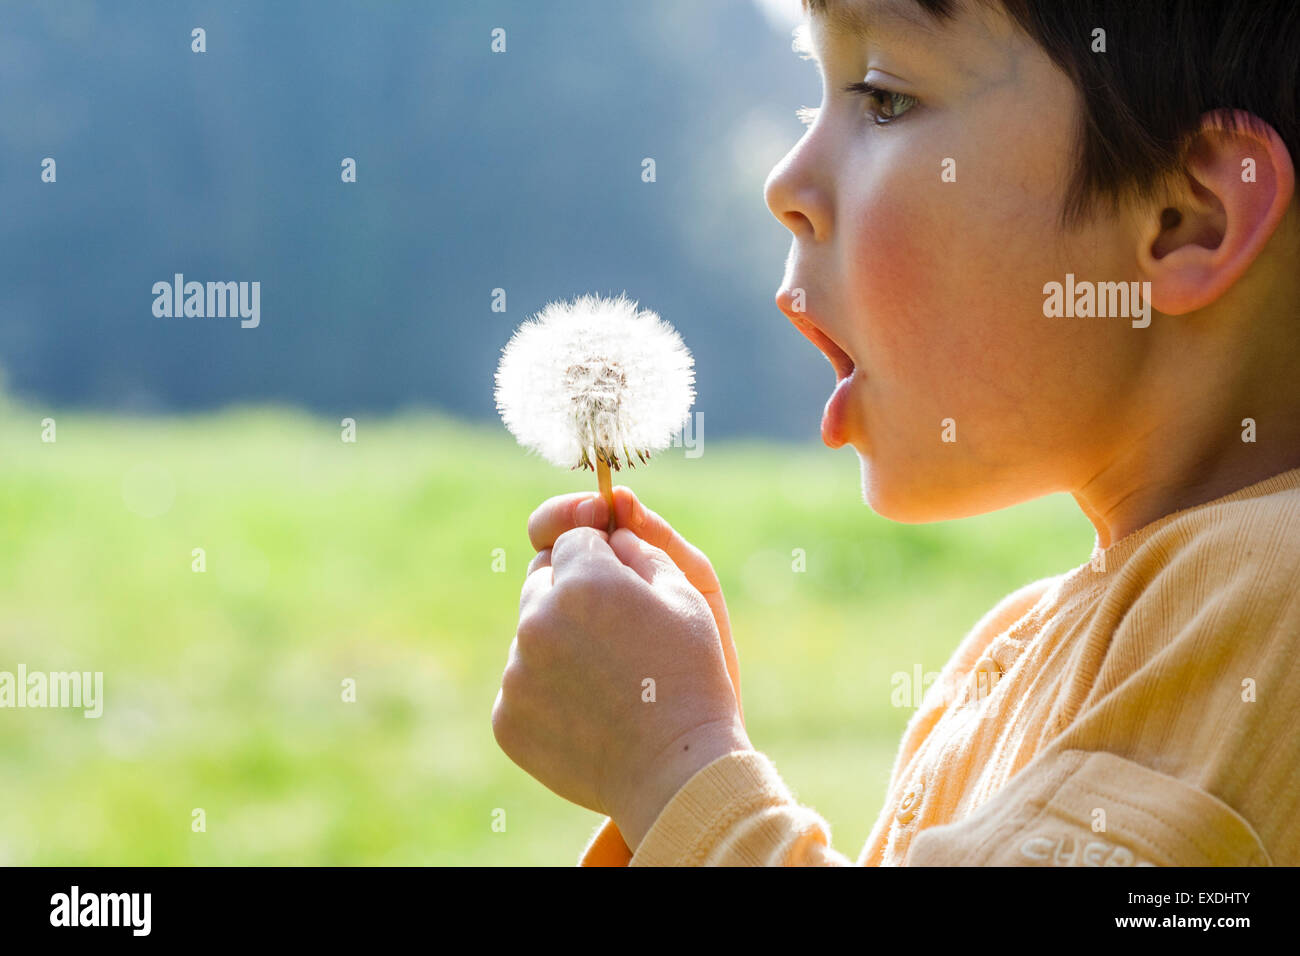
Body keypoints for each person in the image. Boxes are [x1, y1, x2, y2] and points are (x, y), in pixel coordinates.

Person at [491, 0, 1300, 866]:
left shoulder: (1274, 600)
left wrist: (677, 778)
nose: (784, 186)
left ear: (1188, 216)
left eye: (883, 99)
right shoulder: (1014, 648)